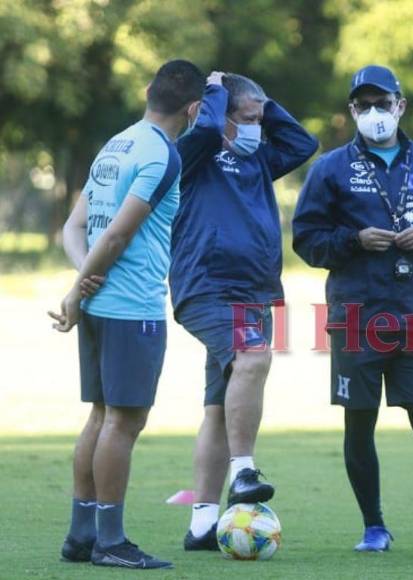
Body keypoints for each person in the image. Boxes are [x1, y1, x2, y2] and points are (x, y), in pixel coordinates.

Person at [292, 65, 413, 553]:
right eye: (363, 105)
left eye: (382, 103)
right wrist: (353, 240)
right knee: (359, 421)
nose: (374, 113)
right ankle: (374, 526)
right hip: (355, 317)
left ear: (401, 106)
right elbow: (306, 240)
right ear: (352, 110)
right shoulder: (330, 167)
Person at [51, 59, 205, 569]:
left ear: (147, 91)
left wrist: (82, 281)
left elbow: (74, 229)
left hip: (99, 304)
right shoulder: (163, 155)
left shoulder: (116, 143)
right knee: (124, 421)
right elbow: (117, 234)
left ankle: (80, 536)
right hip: (132, 306)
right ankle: (110, 541)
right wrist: (79, 287)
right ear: (194, 108)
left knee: (100, 416)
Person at [170, 71, 318, 550]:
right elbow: (210, 129)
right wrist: (213, 93)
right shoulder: (194, 152)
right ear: (217, 113)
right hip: (209, 287)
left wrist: (263, 102)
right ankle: (245, 470)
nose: (258, 127)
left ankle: (202, 524)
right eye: (247, 118)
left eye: (260, 118)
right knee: (254, 358)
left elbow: (302, 142)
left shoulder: (258, 159)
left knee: (218, 407)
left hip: (255, 291)